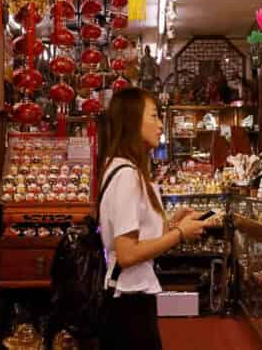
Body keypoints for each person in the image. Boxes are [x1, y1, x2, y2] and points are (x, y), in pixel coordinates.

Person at [98, 88, 209, 349]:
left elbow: (134, 238)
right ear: (132, 120)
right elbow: (127, 253)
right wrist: (179, 234)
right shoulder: (126, 174)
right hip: (128, 302)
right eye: (154, 116)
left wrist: (171, 224)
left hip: (130, 297)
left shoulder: (121, 167)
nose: (161, 125)